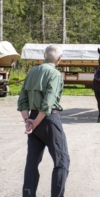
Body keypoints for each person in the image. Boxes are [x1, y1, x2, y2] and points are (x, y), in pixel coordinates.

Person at [17, 44, 70, 197]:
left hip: (33, 119)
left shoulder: (32, 72)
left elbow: (22, 101)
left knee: (32, 163)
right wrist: (37, 121)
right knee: (62, 161)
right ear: (59, 59)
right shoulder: (54, 74)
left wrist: (29, 120)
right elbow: (48, 102)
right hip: (48, 120)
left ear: (44, 56)